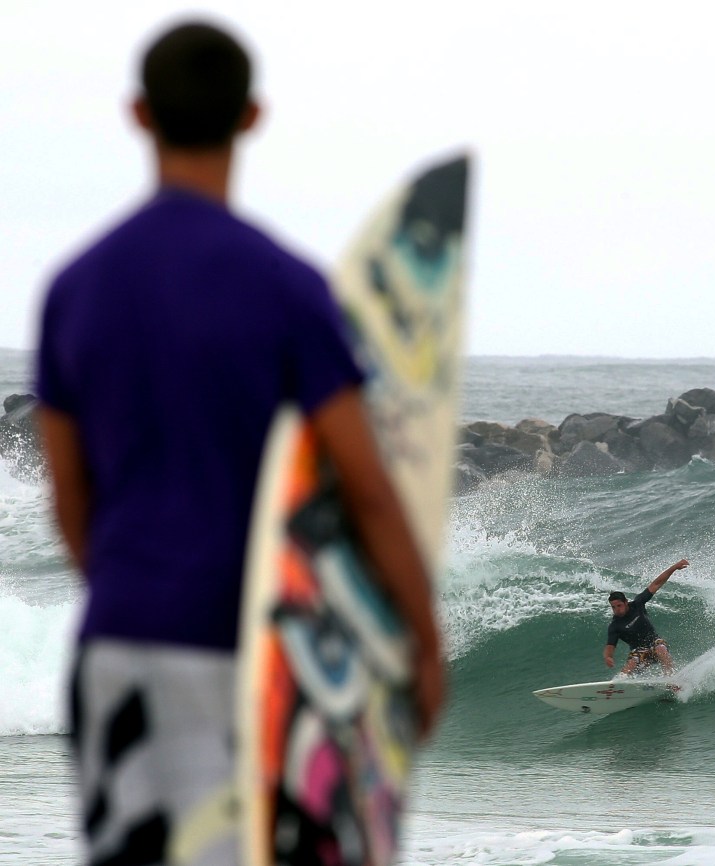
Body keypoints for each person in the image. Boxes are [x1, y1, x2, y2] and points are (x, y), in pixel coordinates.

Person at [36, 21, 443, 866]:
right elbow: (366, 489)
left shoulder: (73, 291)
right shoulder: (288, 289)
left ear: (139, 115)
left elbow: (71, 501)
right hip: (252, 661)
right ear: (251, 117)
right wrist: (422, 641)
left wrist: (134, 587)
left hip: (118, 644)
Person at [603, 559, 689, 676]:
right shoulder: (615, 625)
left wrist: (674, 568)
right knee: (631, 664)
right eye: (613, 607)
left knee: (661, 648)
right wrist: (608, 657)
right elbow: (610, 646)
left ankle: (671, 679)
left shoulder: (638, 603)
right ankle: (619, 686)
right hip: (639, 651)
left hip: (654, 643)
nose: (617, 609)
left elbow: (656, 584)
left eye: (619, 605)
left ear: (626, 602)